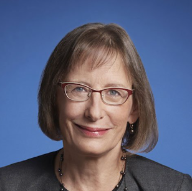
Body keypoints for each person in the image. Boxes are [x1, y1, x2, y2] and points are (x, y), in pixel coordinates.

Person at [0, 23, 191, 191]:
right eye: (79, 89)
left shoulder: (175, 187)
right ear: (55, 99)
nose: (94, 112)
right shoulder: (7, 185)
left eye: (114, 92)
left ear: (134, 110)